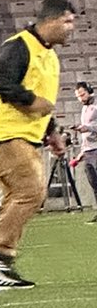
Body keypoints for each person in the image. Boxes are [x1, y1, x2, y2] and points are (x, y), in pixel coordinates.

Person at [0, 0, 78, 289]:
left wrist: (52, 133)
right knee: (32, 192)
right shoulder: (20, 45)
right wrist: (31, 100)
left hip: (26, 136)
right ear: (49, 20)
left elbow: (44, 103)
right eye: (67, 21)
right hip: (6, 134)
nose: (72, 27)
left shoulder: (50, 56)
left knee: (22, 195)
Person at [70, 82, 97, 214]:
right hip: (88, 151)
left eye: (83, 94)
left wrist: (88, 128)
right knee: (94, 184)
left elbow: (91, 128)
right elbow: (86, 135)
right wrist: (81, 153)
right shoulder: (84, 109)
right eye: (78, 96)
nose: (81, 98)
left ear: (90, 91)